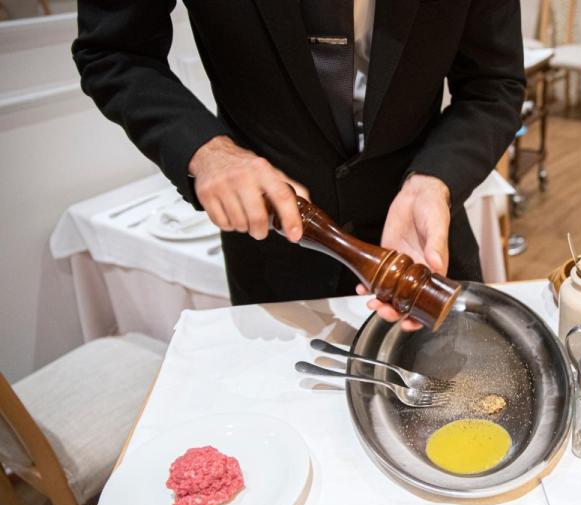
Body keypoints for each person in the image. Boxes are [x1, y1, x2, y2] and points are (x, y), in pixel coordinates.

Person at [73, 0, 526, 330]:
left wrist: (435, 180)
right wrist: (206, 150)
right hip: (275, 263)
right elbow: (115, 51)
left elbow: (492, 85)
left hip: (421, 246)